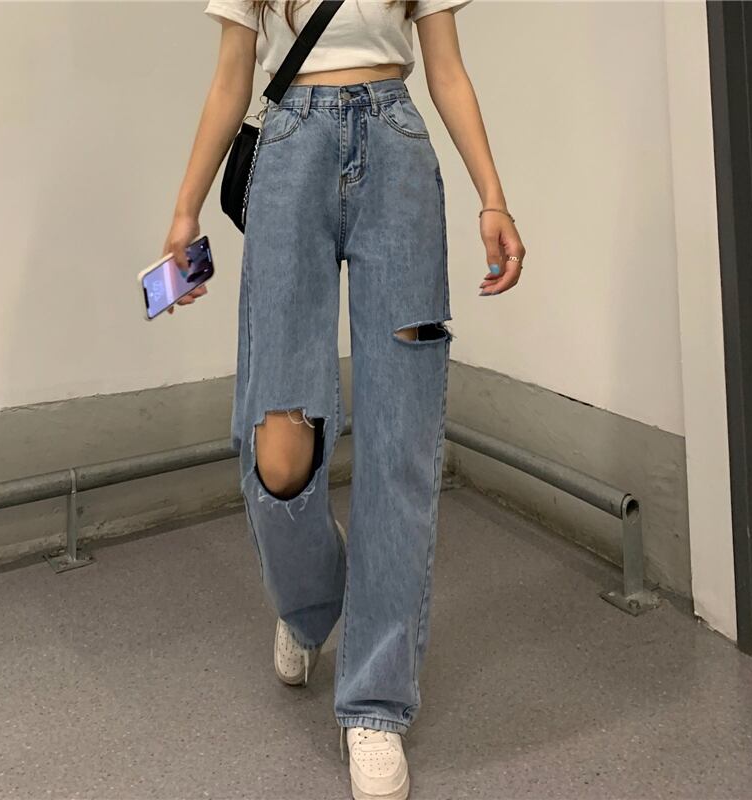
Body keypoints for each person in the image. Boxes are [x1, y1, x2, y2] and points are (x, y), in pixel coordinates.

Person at [163, 1, 525, 797]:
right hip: (289, 153)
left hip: (397, 153)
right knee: (278, 450)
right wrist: (186, 208)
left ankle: (375, 704)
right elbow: (230, 80)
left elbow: (447, 70)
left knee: (400, 439)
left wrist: (492, 196)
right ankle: (310, 603)